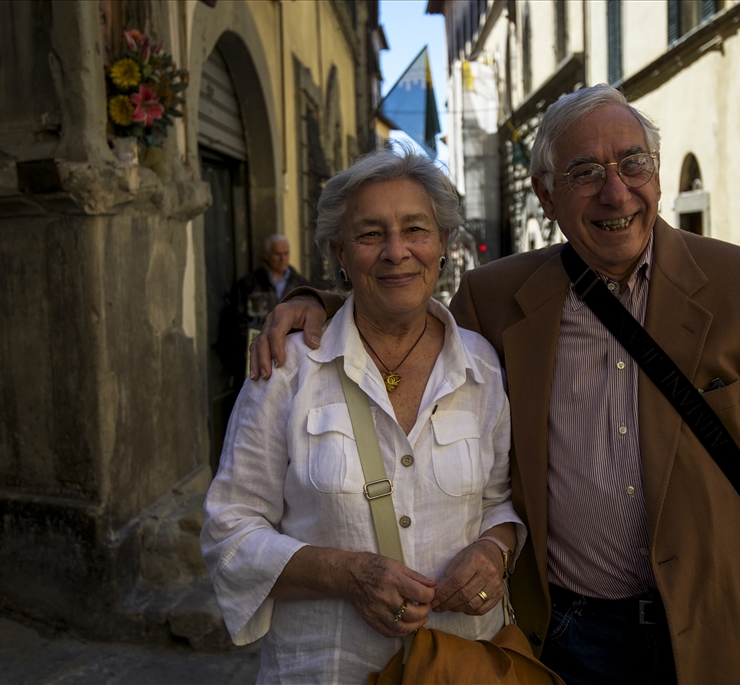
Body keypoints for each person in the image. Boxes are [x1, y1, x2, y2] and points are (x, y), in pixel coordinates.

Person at [249, 85, 740, 684]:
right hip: (566, 639)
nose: (615, 192)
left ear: (656, 175)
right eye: (584, 173)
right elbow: (403, 320)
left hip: (716, 633)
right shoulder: (494, 298)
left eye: (633, 162)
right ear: (546, 197)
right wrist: (316, 305)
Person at [201, 148, 526, 684]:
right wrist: (347, 574)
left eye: (415, 230)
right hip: (323, 668)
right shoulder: (288, 369)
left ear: (443, 243)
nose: (396, 252)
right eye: (371, 234)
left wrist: (494, 550)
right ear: (340, 253)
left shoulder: (482, 366)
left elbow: (499, 502)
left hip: (459, 665)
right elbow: (228, 529)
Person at [234, 234, 309, 331]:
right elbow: (239, 319)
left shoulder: (300, 283)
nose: (283, 258)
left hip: (291, 342)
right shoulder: (249, 283)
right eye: (277, 254)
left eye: (286, 253)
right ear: (267, 255)